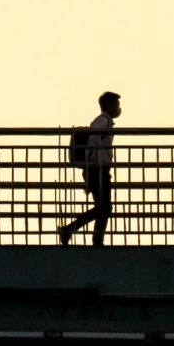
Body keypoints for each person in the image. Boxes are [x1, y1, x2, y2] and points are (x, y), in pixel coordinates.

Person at [59, 91, 122, 248]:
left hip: (97, 169)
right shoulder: (103, 121)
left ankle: (73, 231)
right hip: (97, 169)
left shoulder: (104, 122)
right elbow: (93, 140)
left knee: (103, 207)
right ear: (108, 105)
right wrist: (99, 160)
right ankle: (90, 238)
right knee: (105, 207)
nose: (119, 108)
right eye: (116, 104)